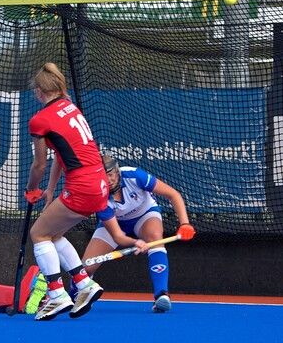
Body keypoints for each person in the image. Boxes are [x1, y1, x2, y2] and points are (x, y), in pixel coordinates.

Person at [24, 62, 148, 321]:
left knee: (38, 233)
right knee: (54, 233)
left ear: (38, 91)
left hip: (82, 185)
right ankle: (84, 284)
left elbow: (40, 163)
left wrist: (31, 189)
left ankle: (57, 296)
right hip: (99, 183)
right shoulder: (71, 108)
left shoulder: (39, 120)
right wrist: (49, 190)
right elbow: (61, 156)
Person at [82, 155, 196, 313]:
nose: (108, 179)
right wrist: (135, 243)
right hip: (114, 223)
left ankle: (161, 294)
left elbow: (173, 195)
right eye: (103, 176)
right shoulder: (97, 195)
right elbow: (117, 236)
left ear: (117, 172)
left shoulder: (135, 176)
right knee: (87, 267)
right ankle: (79, 294)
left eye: (110, 174)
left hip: (144, 214)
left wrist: (184, 223)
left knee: (155, 237)